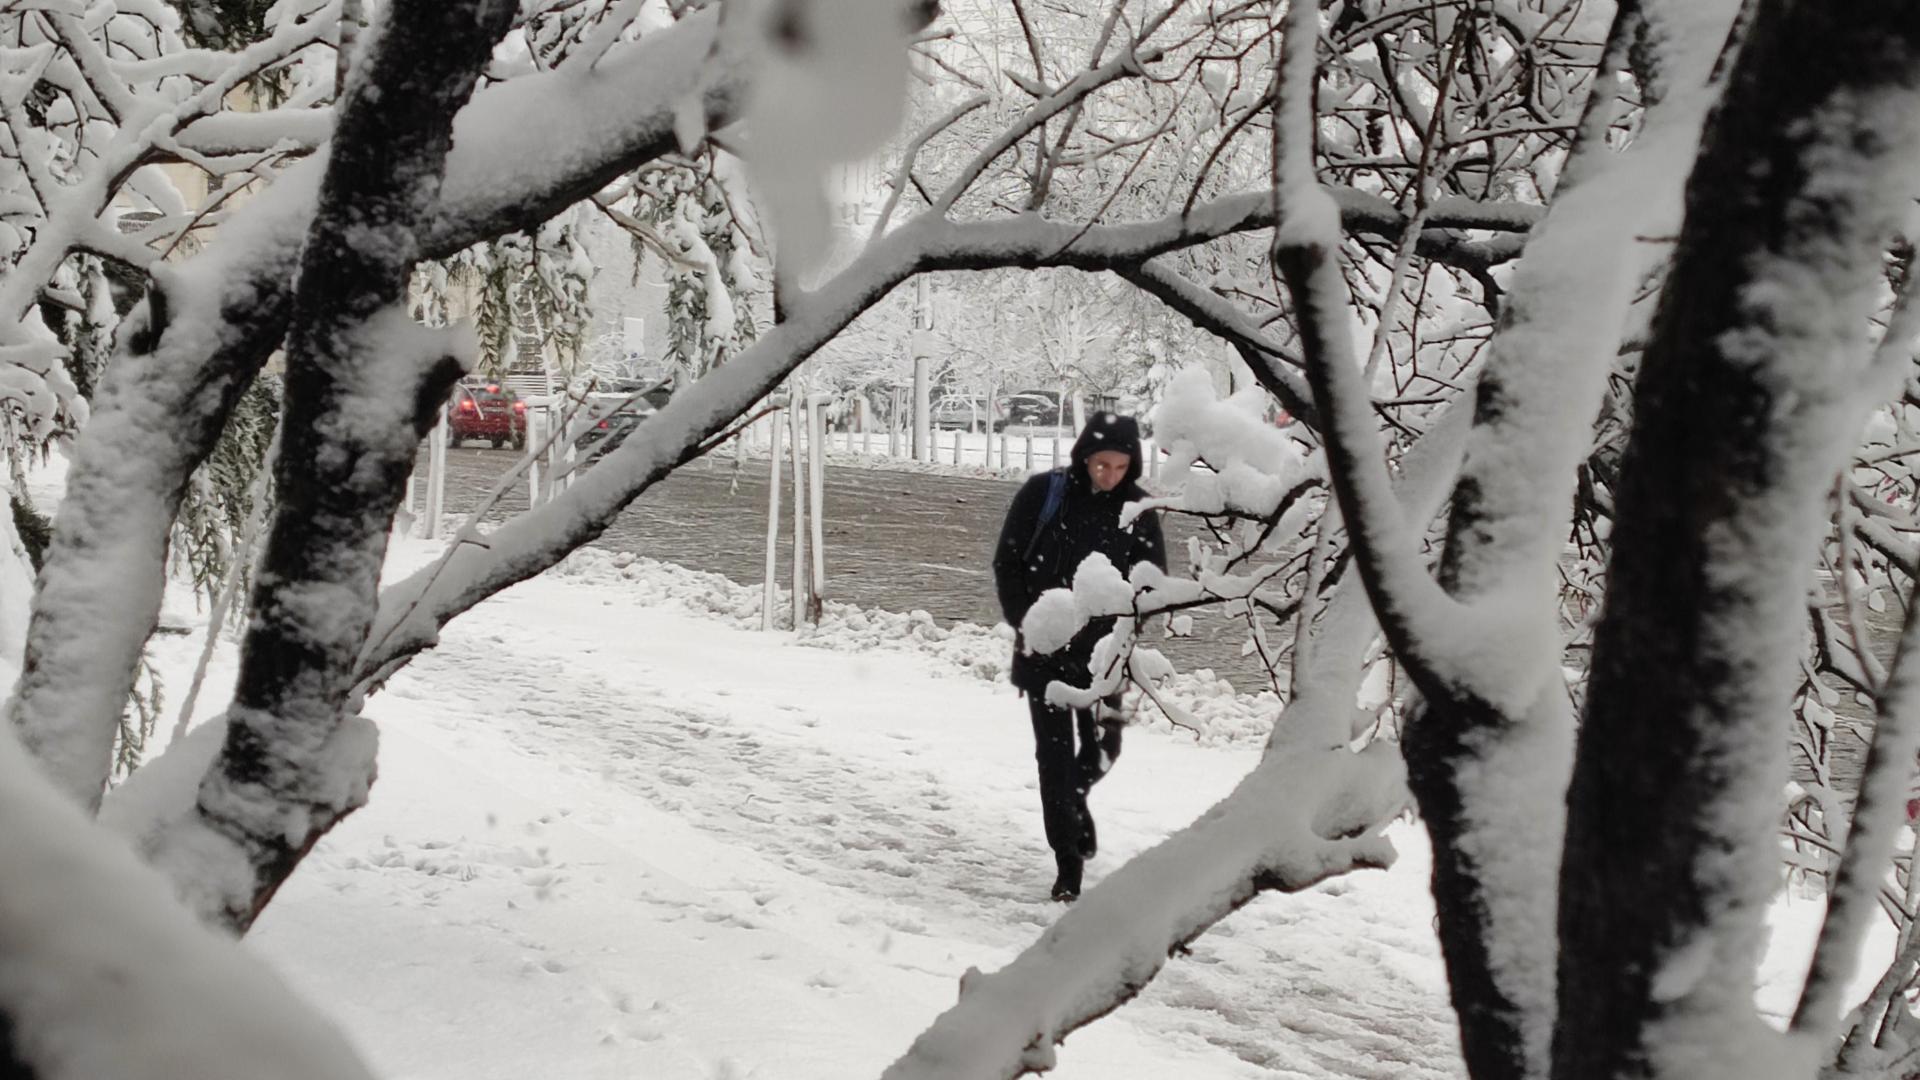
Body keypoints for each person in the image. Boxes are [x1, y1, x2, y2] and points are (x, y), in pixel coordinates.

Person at [992, 412, 1166, 902]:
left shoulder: (1137, 509)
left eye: (1118, 466)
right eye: (1100, 464)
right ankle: (1067, 862)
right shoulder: (1044, 494)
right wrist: (1030, 622)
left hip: (1106, 657)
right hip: (1044, 648)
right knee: (1053, 757)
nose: (1107, 475)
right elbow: (1007, 562)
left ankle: (1077, 794)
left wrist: (1124, 634)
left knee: (1103, 749)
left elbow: (1153, 582)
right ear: (1085, 455)